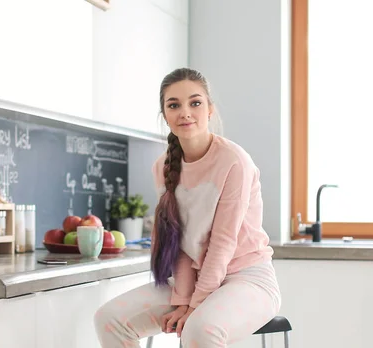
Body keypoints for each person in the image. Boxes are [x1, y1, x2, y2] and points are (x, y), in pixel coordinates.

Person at [94, 67, 281, 348]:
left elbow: (223, 242)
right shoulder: (163, 167)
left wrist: (195, 306)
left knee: (199, 330)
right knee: (109, 319)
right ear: (164, 116)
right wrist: (183, 299)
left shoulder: (234, 161)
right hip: (193, 282)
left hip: (248, 280)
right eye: (174, 105)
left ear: (210, 110)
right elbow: (178, 243)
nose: (185, 112)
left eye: (195, 103)